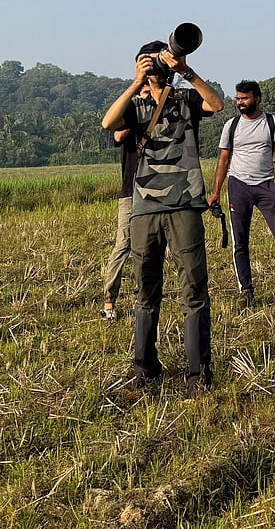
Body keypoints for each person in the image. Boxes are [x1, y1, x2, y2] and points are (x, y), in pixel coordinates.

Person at [101, 41, 225, 398]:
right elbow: (109, 121)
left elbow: (216, 104)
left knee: (194, 291)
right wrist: (136, 79)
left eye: (161, 59)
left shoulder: (185, 100)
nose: (157, 64)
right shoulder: (136, 106)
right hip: (144, 208)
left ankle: (198, 375)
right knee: (145, 290)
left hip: (185, 204)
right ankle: (144, 369)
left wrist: (186, 71)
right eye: (151, 59)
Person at [208, 80, 275, 307]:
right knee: (240, 242)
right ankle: (246, 290)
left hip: (266, 187)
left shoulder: (273, 122)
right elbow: (223, 159)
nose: (240, 103)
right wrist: (215, 192)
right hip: (238, 186)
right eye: (238, 99)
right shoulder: (231, 125)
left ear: (257, 98)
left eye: (244, 98)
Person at [100, 127, 140, 320]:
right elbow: (117, 136)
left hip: (156, 194)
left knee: (147, 247)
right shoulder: (130, 113)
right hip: (130, 194)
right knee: (123, 245)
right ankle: (109, 302)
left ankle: (143, 297)